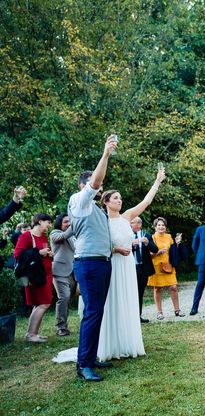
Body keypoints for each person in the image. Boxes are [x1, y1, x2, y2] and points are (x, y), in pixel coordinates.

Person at [96, 169, 166, 361]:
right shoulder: (101, 220)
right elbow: (96, 246)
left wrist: (158, 181)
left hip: (127, 266)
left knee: (129, 300)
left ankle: (127, 341)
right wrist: (116, 249)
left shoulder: (127, 216)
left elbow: (146, 202)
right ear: (106, 202)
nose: (120, 200)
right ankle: (112, 344)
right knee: (113, 301)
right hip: (113, 264)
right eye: (116, 198)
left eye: (120, 198)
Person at [69, 134, 118, 382]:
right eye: (92, 183)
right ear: (83, 186)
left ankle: (90, 355)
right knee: (92, 312)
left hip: (102, 263)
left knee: (97, 311)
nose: (98, 185)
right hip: (88, 264)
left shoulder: (96, 209)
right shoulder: (79, 202)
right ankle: (84, 364)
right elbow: (97, 181)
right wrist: (106, 154)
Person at [14, 213, 53, 342]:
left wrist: (48, 254)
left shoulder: (43, 237)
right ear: (40, 221)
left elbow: (42, 254)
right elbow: (18, 254)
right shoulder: (26, 235)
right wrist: (38, 252)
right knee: (44, 303)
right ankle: (31, 334)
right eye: (48, 222)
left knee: (40, 304)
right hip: (35, 275)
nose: (49, 225)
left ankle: (32, 333)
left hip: (46, 274)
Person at [148, 217, 186, 319]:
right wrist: (157, 252)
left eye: (163, 225)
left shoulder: (169, 237)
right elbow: (148, 254)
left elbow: (174, 252)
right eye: (159, 225)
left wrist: (177, 243)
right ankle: (159, 312)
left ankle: (177, 310)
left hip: (168, 266)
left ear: (165, 227)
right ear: (155, 227)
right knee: (157, 289)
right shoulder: (152, 238)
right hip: (156, 266)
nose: (161, 227)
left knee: (173, 287)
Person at [50, 213, 76, 336]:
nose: (69, 224)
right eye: (66, 222)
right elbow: (63, 236)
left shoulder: (73, 236)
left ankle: (64, 324)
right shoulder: (55, 233)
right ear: (59, 223)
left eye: (70, 221)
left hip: (73, 271)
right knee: (64, 297)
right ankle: (61, 327)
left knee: (68, 298)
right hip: (59, 271)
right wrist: (75, 223)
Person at [130, 217, 158, 323]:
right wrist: (132, 244)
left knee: (140, 292)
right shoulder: (127, 235)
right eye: (132, 222)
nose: (134, 224)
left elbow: (155, 249)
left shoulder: (146, 235)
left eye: (137, 223)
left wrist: (147, 243)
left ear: (140, 224)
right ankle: (130, 317)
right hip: (130, 268)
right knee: (130, 293)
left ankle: (138, 316)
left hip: (143, 268)